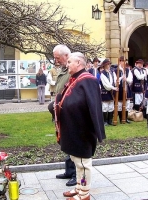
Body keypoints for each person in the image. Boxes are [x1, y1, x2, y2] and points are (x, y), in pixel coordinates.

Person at [55, 52, 105, 200]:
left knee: (83, 163)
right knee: (77, 162)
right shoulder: (75, 79)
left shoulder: (88, 80)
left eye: (70, 62)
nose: (67, 64)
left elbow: (92, 106)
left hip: (82, 130)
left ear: (79, 63)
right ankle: (79, 187)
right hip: (73, 128)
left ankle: (84, 194)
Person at [47, 44, 77, 187]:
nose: (56, 60)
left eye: (57, 57)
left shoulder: (75, 70)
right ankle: (69, 171)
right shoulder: (64, 69)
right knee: (65, 141)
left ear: (66, 56)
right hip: (62, 111)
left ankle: (77, 174)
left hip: (71, 113)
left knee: (75, 143)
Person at [99, 59, 117, 126]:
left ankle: (110, 120)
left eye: (109, 64)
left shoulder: (111, 72)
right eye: (108, 64)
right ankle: (105, 121)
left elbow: (114, 81)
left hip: (111, 92)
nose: (109, 65)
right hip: (105, 92)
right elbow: (106, 85)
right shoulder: (102, 74)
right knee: (105, 106)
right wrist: (113, 88)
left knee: (111, 106)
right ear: (105, 65)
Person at [116, 56, 133, 123]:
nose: (124, 62)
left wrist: (126, 79)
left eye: (124, 61)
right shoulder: (116, 70)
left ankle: (125, 118)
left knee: (127, 104)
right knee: (120, 104)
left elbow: (131, 79)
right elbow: (115, 80)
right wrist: (120, 78)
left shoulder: (128, 70)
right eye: (122, 61)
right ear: (120, 61)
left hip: (126, 88)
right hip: (120, 88)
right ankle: (121, 118)